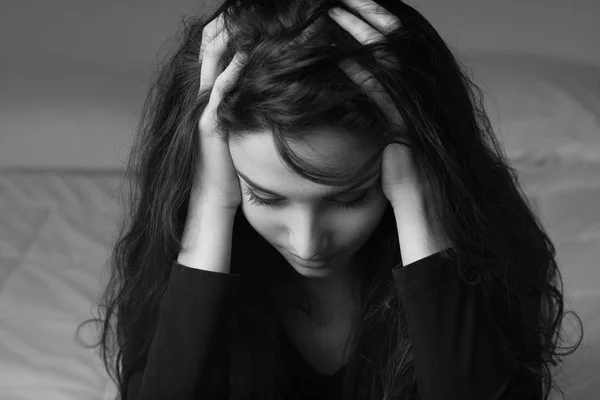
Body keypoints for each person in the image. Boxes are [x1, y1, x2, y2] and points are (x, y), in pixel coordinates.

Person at [80, 0, 583, 398]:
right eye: (265, 197)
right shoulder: (185, 248)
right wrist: (211, 202)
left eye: (349, 198)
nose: (308, 243)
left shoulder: (486, 252)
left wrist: (419, 201)